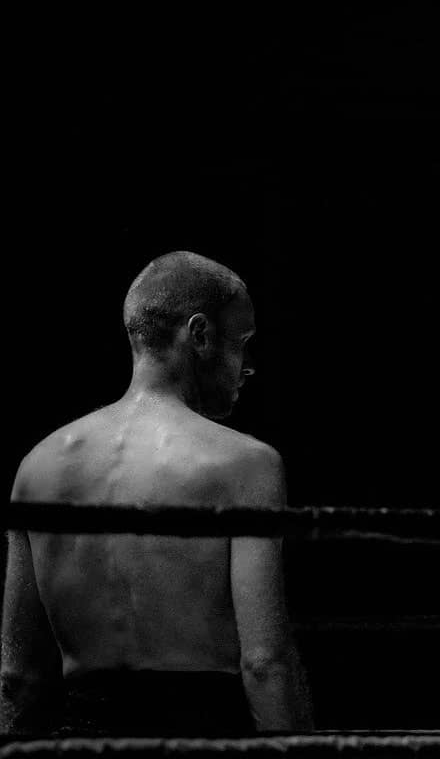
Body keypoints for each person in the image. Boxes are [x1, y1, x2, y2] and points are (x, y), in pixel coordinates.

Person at [2, 251, 313, 735]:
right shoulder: (244, 464)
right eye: (243, 342)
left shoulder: (38, 466)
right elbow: (264, 662)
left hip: (81, 751)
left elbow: (19, 676)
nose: (249, 366)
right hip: (199, 743)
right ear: (200, 335)